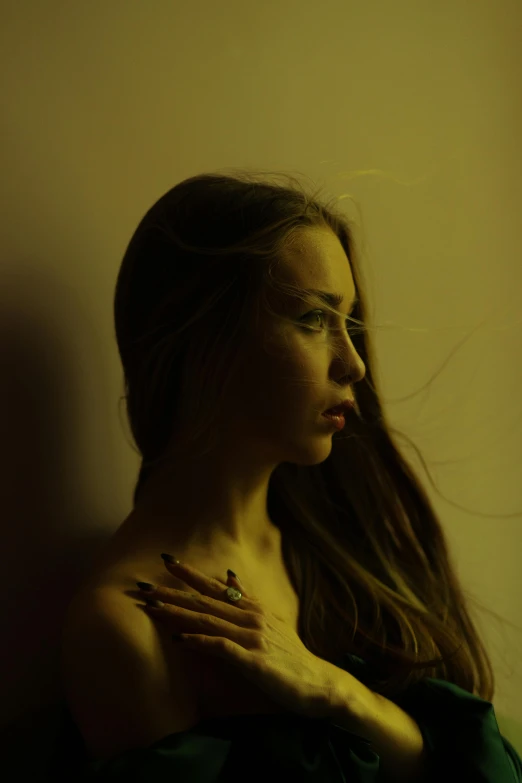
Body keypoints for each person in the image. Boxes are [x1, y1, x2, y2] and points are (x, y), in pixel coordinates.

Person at [58, 171, 521, 781]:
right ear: (202, 340)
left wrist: (334, 690)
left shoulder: (342, 541)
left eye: (348, 321)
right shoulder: (130, 628)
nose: (352, 363)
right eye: (311, 318)